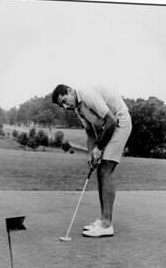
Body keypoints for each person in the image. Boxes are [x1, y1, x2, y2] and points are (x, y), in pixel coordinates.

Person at [51, 84, 132, 237]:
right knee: (101, 169)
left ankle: (107, 225)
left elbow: (112, 121)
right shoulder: (78, 108)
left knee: (105, 169)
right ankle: (103, 219)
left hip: (120, 122)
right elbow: (90, 133)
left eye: (64, 100)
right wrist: (90, 153)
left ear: (69, 91)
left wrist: (99, 148)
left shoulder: (87, 95)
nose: (65, 105)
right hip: (110, 127)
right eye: (62, 105)